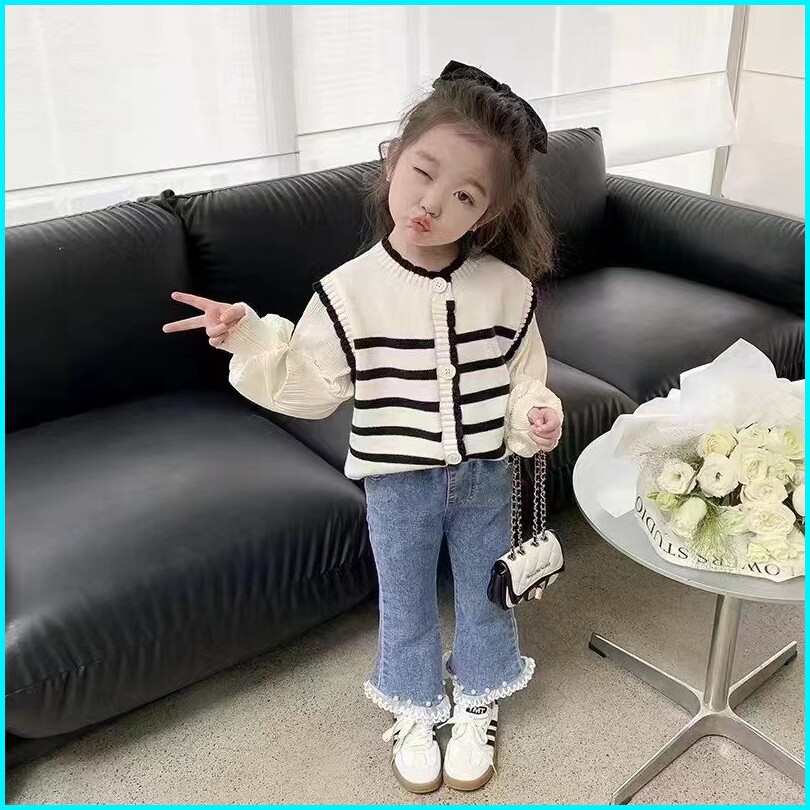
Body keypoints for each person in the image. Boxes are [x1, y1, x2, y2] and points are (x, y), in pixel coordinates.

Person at [163, 60, 563, 794]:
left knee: (487, 593)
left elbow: (524, 379)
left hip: (485, 477)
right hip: (396, 485)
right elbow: (309, 384)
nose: (432, 203)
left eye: (464, 195)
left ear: (488, 215)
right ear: (391, 159)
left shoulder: (509, 290)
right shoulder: (348, 292)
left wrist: (535, 416)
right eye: (423, 173)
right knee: (404, 597)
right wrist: (247, 334)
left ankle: (477, 698)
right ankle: (415, 704)